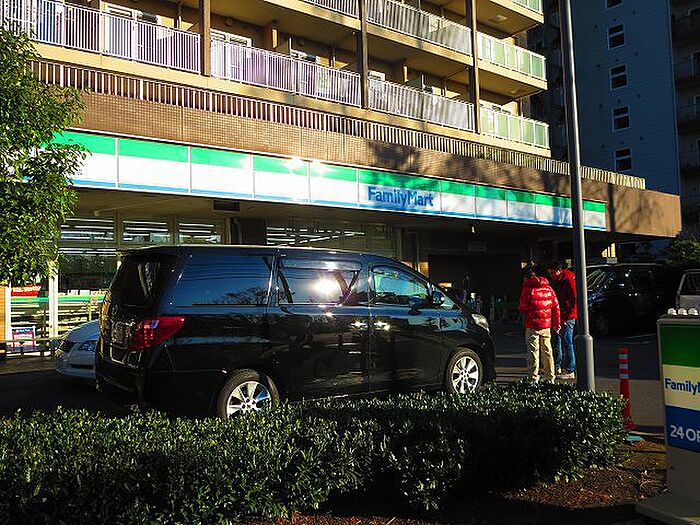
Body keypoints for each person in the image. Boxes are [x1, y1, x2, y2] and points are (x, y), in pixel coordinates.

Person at [518, 266, 561, 383]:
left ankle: (533, 378)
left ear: (526, 278)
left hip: (532, 325)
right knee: (547, 351)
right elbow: (556, 307)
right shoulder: (549, 289)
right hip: (546, 325)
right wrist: (557, 324)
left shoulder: (527, 290)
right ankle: (550, 377)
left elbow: (522, 307)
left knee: (533, 352)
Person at [547, 261, 577, 380]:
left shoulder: (568, 280)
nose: (551, 275)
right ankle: (558, 366)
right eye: (550, 273)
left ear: (559, 271)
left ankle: (570, 369)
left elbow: (574, 300)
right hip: (559, 315)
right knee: (557, 341)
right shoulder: (558, 280)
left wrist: (567, 316)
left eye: (552, 273)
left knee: (566, 341)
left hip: (566, 316)